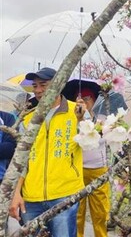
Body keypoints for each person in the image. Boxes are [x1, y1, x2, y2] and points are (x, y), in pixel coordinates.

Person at [9, 67, 84, 237]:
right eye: (35, 86)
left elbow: (90, 145)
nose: (38, 90)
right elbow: (21, 160)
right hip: (31, 198)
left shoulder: (77, 111)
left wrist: (82, 121)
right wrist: (16, 194)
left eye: (43, 84)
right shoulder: (28, 118)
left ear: (59, 84)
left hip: (64, 195)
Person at [65, 85, 111, 237]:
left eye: (86, 99)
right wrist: (79, 119)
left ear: (93, 100)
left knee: (100, 211)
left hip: (98, 169)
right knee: (77, 211)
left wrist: (88, 121)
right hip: (76, 169)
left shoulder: (101, 120)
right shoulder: (70, 120)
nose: (84, 102)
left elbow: (105, 138)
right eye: (80, 100)